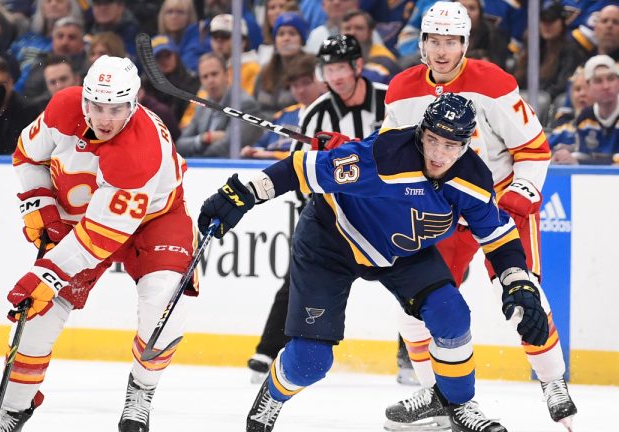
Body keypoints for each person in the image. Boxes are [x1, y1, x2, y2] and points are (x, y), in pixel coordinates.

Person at [199, 92, 550, 432]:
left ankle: (456, 406)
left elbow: (498, 235)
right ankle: (271, 398)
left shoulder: (473, 179)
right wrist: (243, 193)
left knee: (451, 314)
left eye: (450, 145)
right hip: (331, 240)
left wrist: (516, 279)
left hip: (403, 252)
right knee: (310, 361)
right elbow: (299, 168)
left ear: (467, 144)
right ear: (420, 132)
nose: (439, 155)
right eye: (432, 140)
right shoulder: (384, 156)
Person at [0, 55, 197, 432]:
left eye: (117, 109)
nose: (105, 119)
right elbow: (27, 156)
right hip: (86, 218)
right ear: (84, 99)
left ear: (133, 104)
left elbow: (101, 238)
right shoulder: (62, 107)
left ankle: (141, 391)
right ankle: (14, 408)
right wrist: (39, 207)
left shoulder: (139, 152)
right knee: (38, 316)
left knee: (163, 309)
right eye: (97, 107)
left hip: (155, 220)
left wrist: (44, 275)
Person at [380, 2, 577, 430]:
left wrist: (523, 192)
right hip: (444, 207)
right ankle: (437, 394)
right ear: (422, 42)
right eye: (434, 40)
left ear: (465, 44)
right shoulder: (400, 89)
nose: (442, 50)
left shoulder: (493, 82)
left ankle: (552, 382)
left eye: (451, 41)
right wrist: (346, 152)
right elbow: (387, 153)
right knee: (413, 305)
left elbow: (534, 148)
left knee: (524, 299)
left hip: (498, 203)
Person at [245, 33, 389, 382]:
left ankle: (408, 355)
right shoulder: (316, 113)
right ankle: (268, 351)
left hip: (385, 211)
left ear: (357, 65)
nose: (336, 75)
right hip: (332, 214)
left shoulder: (390, 101)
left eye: (342, 67)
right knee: (296, 275)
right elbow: (301, 171)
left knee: (412, 277)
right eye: (329, 68)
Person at [176, 53, 262, 157]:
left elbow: (229, 146)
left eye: (214, 74)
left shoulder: (244, 104)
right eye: (205, 77)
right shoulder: (202, 106)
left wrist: (198, 153)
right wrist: (205, 138)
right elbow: (180, 144)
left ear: (227, 75)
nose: (210, 80)